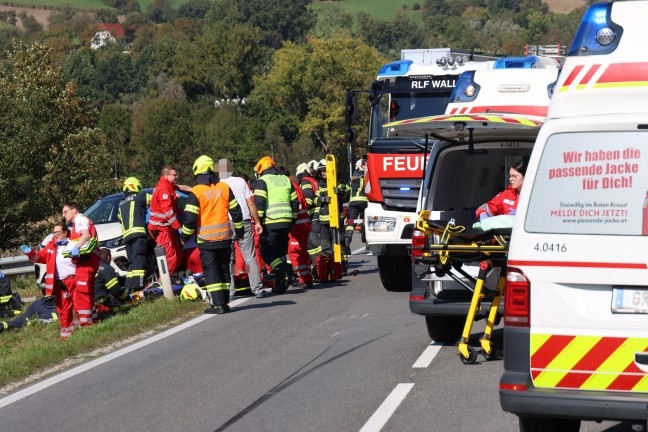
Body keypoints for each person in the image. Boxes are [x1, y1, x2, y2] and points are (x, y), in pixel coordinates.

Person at [180, 155, 244, 314]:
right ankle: (225, 301)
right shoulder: (224, 188)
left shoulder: (196, 192)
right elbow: (236, 212)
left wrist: (183, 238)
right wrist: (240, 231)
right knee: (223, 269)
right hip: (225, 238)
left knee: (211, 271)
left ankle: (218, 304)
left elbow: (190, 220)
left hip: (206, 240)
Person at [217, 158, 266, 299]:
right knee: (249, 256)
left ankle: (230, 291)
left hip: (226, 222)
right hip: (244, 221)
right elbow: (250, 202)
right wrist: (257, 222)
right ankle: (257, 288)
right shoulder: (240, 181)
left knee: (228, 258)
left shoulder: (217, 184)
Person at [24, 221, 78, 340]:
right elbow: (39, 257)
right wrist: (30, 253)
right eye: (54, 232)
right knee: (63, 310)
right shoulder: (52, 246)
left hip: (74, 280)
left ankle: (85, 328)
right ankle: (66, 335)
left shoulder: (73, 244)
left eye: (58, 232)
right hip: (60, 284)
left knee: (80, 306)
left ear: (65, 232)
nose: (55, 234)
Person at [253, 156, 299, 294]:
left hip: (271, 222)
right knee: (280, 252)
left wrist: (258, 221)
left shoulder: (262, 181)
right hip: (286, 221)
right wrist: (292, 220)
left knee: (266, 252)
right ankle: (281, 284)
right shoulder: (286, 179)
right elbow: (295, 202)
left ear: (261, 169)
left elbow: (259, 203)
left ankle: (284, 269)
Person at [62, 202, 101, 330]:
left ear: (74, 210)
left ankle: (85, 324)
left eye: (65, 212)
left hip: (87, 261)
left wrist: (76, 248)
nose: (64, 215)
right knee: (87, 292)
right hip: (87, 261)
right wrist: (68, 243)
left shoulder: (79, 219)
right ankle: (93, 319)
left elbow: (86, 235)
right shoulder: (78, 222)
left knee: (82, 293)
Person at [147, 165, 188, 276]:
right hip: (160, 229)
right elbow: (168, 212)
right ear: (166, 175)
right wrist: (179, 228)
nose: (176, 177)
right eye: (174, 175)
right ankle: (164, 284)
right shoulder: (164, 189)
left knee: (178, 254)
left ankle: (170, 280)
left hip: (166, 228)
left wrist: (194, 189)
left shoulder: (168, 186)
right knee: (171, 258)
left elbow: (180, 187)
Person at [278, 166, 313, 288]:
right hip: (301, 223)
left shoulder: (290, 186)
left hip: (298, 224)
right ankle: (306, 277)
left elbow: (296, 205)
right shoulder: (293, 184)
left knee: (294, 251)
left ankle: (303, 278)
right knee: (302, 251)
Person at [118, 177, 151, 292]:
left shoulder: (121, 203)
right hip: (138, 234)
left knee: (132, 263)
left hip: (126, 237)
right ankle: (139, 287)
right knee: (139, 259)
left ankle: (129, 287)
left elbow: (120, 219)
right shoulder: (140, 196)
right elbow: (156, 200)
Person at [343, 158, 368, 254]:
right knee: (365, 220)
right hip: (363, 201)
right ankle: (365, 239)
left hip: (352, 202)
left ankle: (347, 240)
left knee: (351, 222)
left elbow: (347, 190)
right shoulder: (365, 177)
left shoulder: (352, 178)